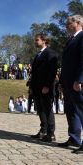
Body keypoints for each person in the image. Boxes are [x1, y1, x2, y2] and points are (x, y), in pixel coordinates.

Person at [58, 15, 83, 153]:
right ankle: (74, 138)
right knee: (71, 112)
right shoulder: (70, 41)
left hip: (77, 82)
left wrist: (80, 79)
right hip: (67, 83)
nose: (66, 25)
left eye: (69, 23)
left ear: (78, 22)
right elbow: (65, 64)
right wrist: (61, 81)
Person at [30, 34, 58, 142]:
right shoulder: (38, 55)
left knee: (47, 110)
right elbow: (34, 73)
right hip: (36, 87)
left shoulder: (50, 53)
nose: (35, 42)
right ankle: (43, 131)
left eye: (37, 40)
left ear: (44, 40)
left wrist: (47, 85)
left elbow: (52, 71)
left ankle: (51, 133)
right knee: (40, 110)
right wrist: (31, 87)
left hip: (45, 87)